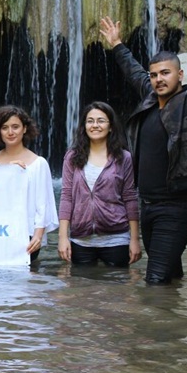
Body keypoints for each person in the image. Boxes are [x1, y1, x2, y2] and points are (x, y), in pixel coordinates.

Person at [99, 11, 187, 284]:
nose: (158, 79)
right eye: (154, 75)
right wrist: (116, 44)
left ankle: (154, 325)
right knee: (170, 276)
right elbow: (133, 71)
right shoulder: (148, 100)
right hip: (147, 205)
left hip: (176, 208)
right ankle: (173, 321)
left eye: (165, 73)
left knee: (155, 281)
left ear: (179, 74)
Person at [57, 101, 142, 267]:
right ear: (84, 126)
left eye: (101, 121)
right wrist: (62, 237)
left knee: (117, 289)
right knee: (81, 288)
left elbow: (130, 198)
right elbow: (66, 197)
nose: (95, 125)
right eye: (90, 121)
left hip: (117, 238)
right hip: (81, 239)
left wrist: (134, 239)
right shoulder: (72, 157)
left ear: (110, 127)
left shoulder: (123, 157)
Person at [0, 105, 58, 261]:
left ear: (25, 129)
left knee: (25, 283)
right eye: (5, 128)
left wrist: (38, 235)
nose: (10, 132)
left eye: (15, 127)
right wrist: (7, 173)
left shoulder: (38, 164)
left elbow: (42, 203)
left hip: (26, 235)